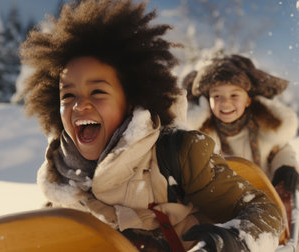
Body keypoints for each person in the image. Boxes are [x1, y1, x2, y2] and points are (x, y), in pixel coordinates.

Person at [20, 1, 283, 251]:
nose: (80, 106)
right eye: (68, 95)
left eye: (98, 91)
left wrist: (231, 241)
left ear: (131, 99)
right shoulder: (63, 182)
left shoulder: (178, 154)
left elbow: (264, 211)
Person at [182, 54, 299, 251]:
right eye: (217, 96)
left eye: (234, 95)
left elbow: (281, 148)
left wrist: (286, 167)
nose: (226, 103)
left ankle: (294, 245)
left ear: (248, 100)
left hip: (266, 196)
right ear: (207, 101)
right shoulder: (203, 135)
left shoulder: (263, 127)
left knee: (286, 200)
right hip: (224, 200)